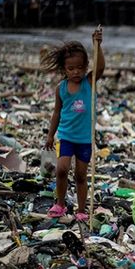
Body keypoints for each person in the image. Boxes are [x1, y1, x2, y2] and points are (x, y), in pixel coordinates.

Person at [42, 27, 105, 221]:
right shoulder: (61, 88)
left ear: (86, 66)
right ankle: (60, 204)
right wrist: (50, 135)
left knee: (80, 175)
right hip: (67, 136)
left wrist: (98, 45)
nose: (76, 72)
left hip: (84, 138)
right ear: (64, 69)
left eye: (79, 67)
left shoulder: (89, 82)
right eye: (71, 69)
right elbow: (57, 112)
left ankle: (81, 210)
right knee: (61, 169)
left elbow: (101, 67)